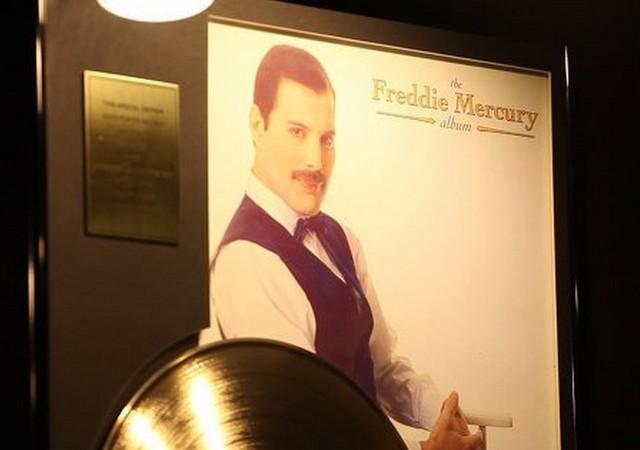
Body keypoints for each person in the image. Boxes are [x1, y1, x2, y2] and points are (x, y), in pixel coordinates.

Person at [204, 44, 481, 450]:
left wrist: (442, 412)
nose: (316, 161)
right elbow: (307, 430)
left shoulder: (342, 239)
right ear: (257, 124)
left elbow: (382, 368)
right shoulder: (246, 262)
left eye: (327, 138)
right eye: (297, 132)